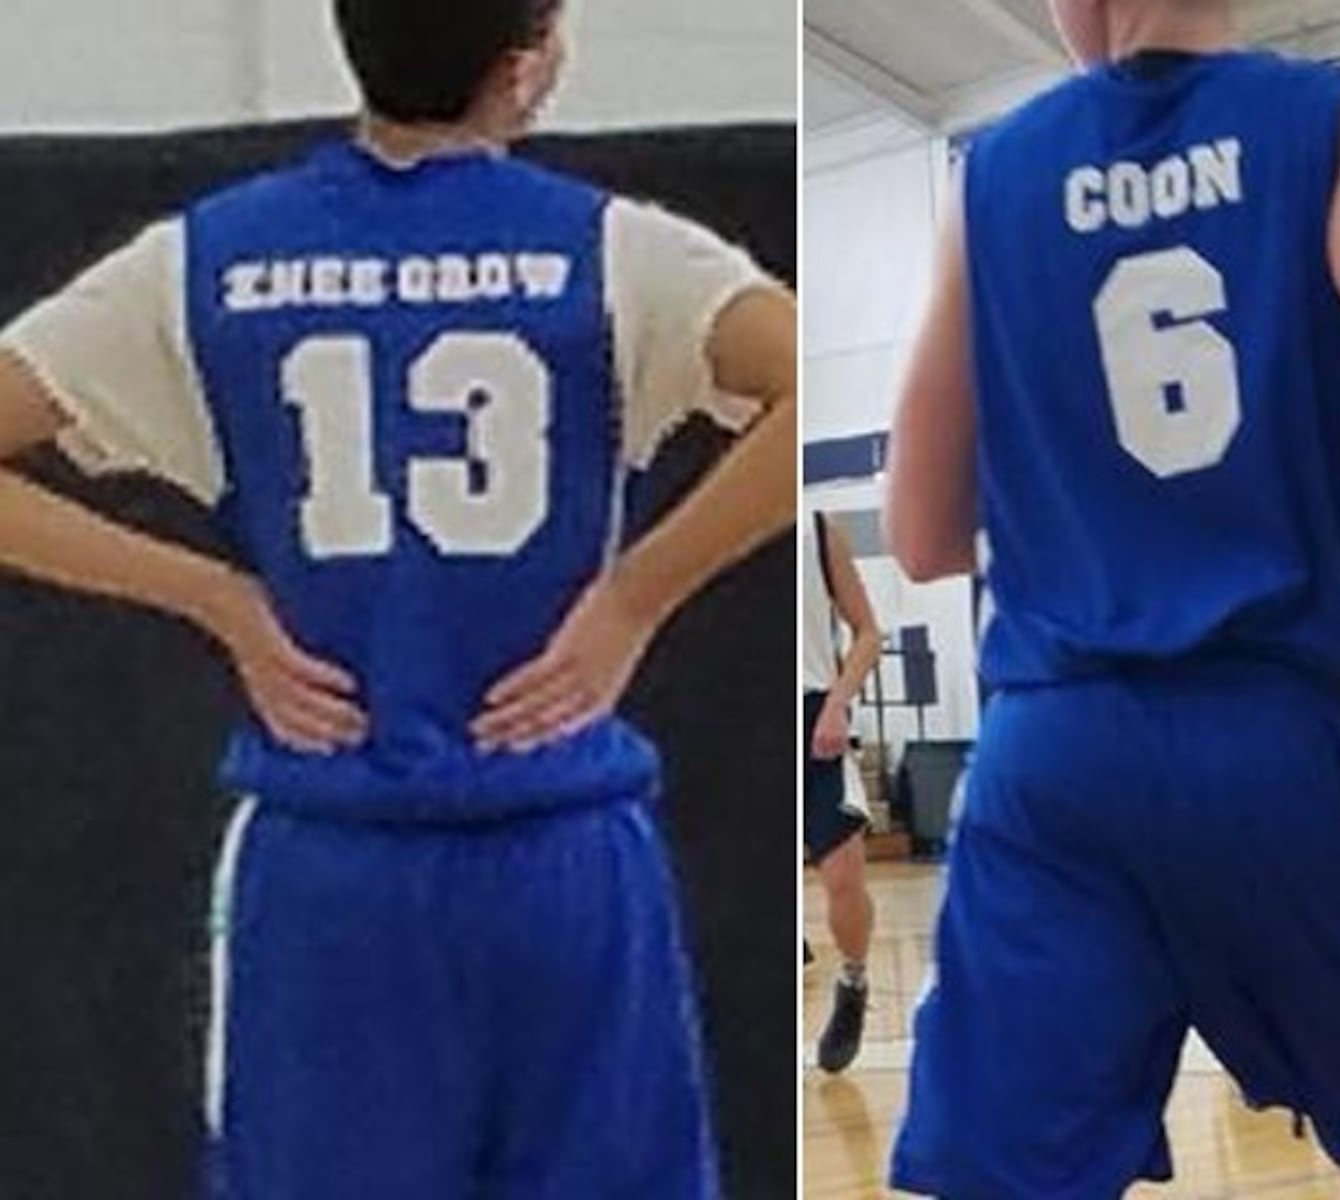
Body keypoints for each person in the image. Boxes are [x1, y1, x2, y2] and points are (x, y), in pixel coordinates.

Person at [0, 1, 796, 1195]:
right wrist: (636, 598)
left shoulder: (208, 253)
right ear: (525, 68)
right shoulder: (617, 248)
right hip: (562, 855)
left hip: (332, 875)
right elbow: (808, 387)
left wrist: (214, 595)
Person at [880, 0, 1340, 1196]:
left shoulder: (988, 178)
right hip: (1270, 739)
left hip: (1048, 751)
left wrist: (1086, 513)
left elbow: (917, 531)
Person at [803, 510, 882, 1073]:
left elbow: (869, 632)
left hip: (814, 711)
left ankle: (853, 983)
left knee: (844, 876)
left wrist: (837, 701)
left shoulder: (818, 527)